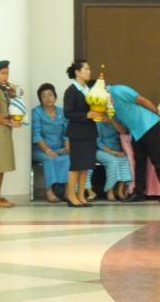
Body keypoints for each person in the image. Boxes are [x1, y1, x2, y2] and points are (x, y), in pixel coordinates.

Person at [107, 84, 160, 203]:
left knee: (157, 158)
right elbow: (123, 131)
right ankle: (139, 192)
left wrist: (157, 111)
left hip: (148, 124)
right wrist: (110, 119)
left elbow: (141, 99)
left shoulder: (118, 90)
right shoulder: (106, 106)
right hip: (136, 132)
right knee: (139, 161)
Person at [63, 59, 102, 208]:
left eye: (89, 69)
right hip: (77, 133)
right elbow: (68, 113)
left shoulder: (89, 89)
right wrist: (86, 115)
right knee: (76, 166)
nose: (89, 71)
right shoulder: (71, 90)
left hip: (90, 132)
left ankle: (81, 195)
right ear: (77, 72)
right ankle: (71, 195)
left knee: (85, 166)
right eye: (86, 69)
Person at [0, 60, 22, 208]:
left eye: (7, 73)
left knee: (1, 166)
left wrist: (9, 84)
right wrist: (9, 123)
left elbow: (20, 92)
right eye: (2, 73)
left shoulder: (3, 89)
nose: (5, 76)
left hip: (4, 131)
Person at [31, 83, 70, 203]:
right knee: (49, 158)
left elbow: (66, 132)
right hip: (40, 150)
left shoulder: (61, 112)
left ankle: (67, 191)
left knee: (68, 157)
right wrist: (47, 150)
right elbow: (36, 135)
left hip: (58, 149)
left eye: (50, 95)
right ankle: (49, 191)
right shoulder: (36, 112)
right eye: (44, 96)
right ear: (40, 99)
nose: (48, 98)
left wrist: (67, 145)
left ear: (55, 97)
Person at [85, 120, 131, 201]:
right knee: (113, 161)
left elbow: (124, 132)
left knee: (125, 161)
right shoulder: (98, 124)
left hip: (117, 150)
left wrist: (113, 121)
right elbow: (98, 143)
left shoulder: (117, 122)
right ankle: (109, 190)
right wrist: (112, 152)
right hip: (101, 151)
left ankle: (119, 191)